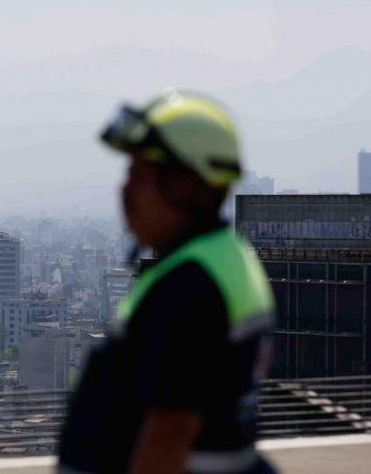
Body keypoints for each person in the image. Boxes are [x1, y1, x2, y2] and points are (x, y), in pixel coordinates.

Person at [58, 90, 276, 474]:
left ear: (188, 185)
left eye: (140, 175)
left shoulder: (189, 288)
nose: (125, 190)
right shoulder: (225, 257)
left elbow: (169, 434)